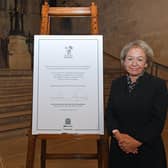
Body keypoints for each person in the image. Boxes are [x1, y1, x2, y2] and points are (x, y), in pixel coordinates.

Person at [107, 40, 168, 168]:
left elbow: (158, 121)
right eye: (130, 59)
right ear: (123, 62)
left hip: (148, 150)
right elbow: (110, 114)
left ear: (146, 63)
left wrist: (136, 142)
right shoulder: (116, 84)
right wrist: (119, 137)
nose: (134, 63)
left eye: (140, 59)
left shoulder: (158, 85)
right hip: (120, 149)